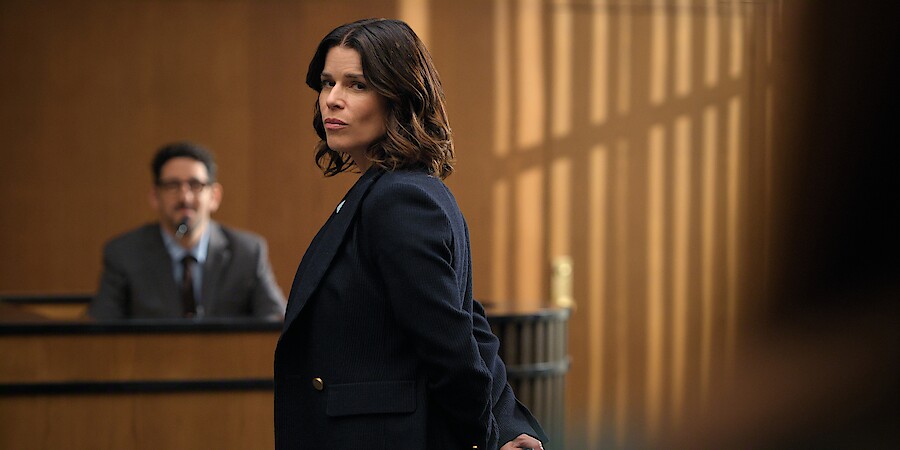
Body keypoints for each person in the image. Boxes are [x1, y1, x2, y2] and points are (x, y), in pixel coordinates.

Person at [274, 19, 547, 450]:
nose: (332, 100)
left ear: (400, 97)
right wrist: (506, 422)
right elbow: (466, 318)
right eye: (327, 84)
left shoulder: (399, 199)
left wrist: (490, 435)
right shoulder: (394, 190)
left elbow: (450, 344)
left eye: (357, 85)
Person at [88, 142, 286, 320]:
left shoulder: (248, 252)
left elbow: (275, 322)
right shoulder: (123, 254)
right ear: (155, 196)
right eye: (173, 185)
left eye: (195, 185)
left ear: (214, 196)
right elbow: (101, 330)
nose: (185, 197)